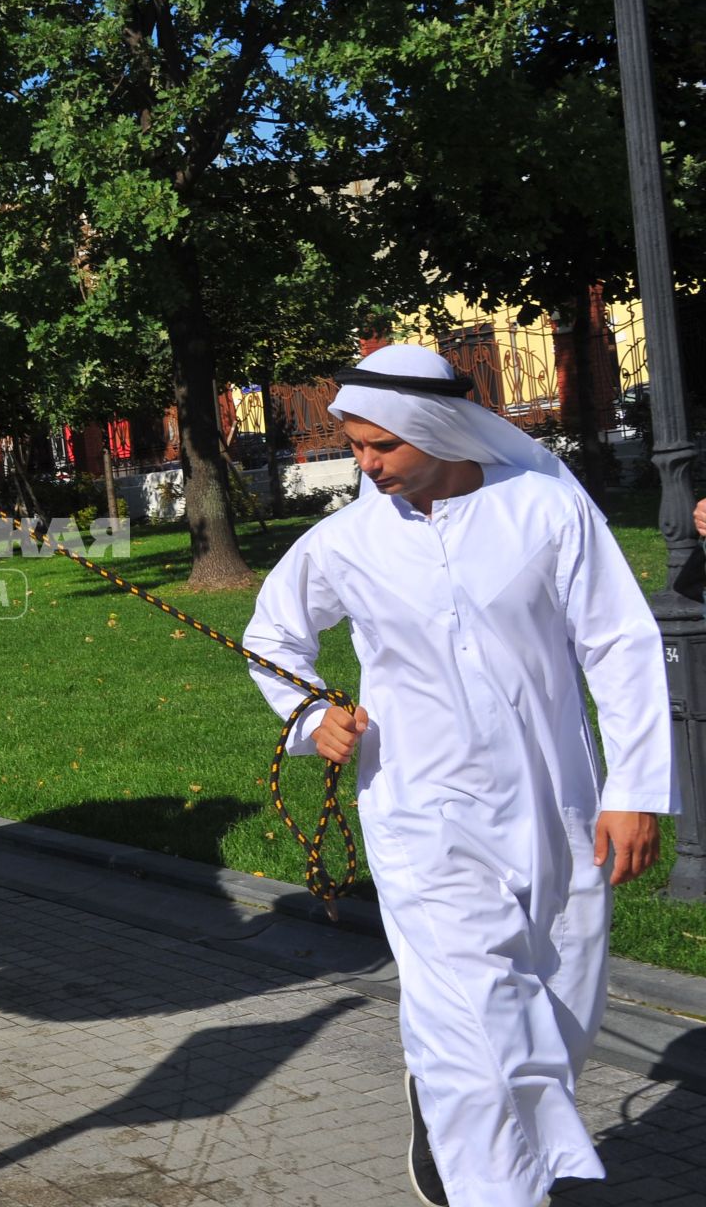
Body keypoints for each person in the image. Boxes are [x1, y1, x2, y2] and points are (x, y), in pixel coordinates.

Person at [243, 345, 673, 1207]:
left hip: (555, 800)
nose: (363, 465)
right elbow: (271, 639)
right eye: (355, 446)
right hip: (417, 808)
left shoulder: (546, 511)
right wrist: (308, 720)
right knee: (475, 1021)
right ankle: (496, 1185)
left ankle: (448, 1106)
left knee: (558, 1002)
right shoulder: (345, 542)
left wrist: (636, 789)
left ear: (437, 430)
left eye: (379, 448)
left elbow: (618, 645)